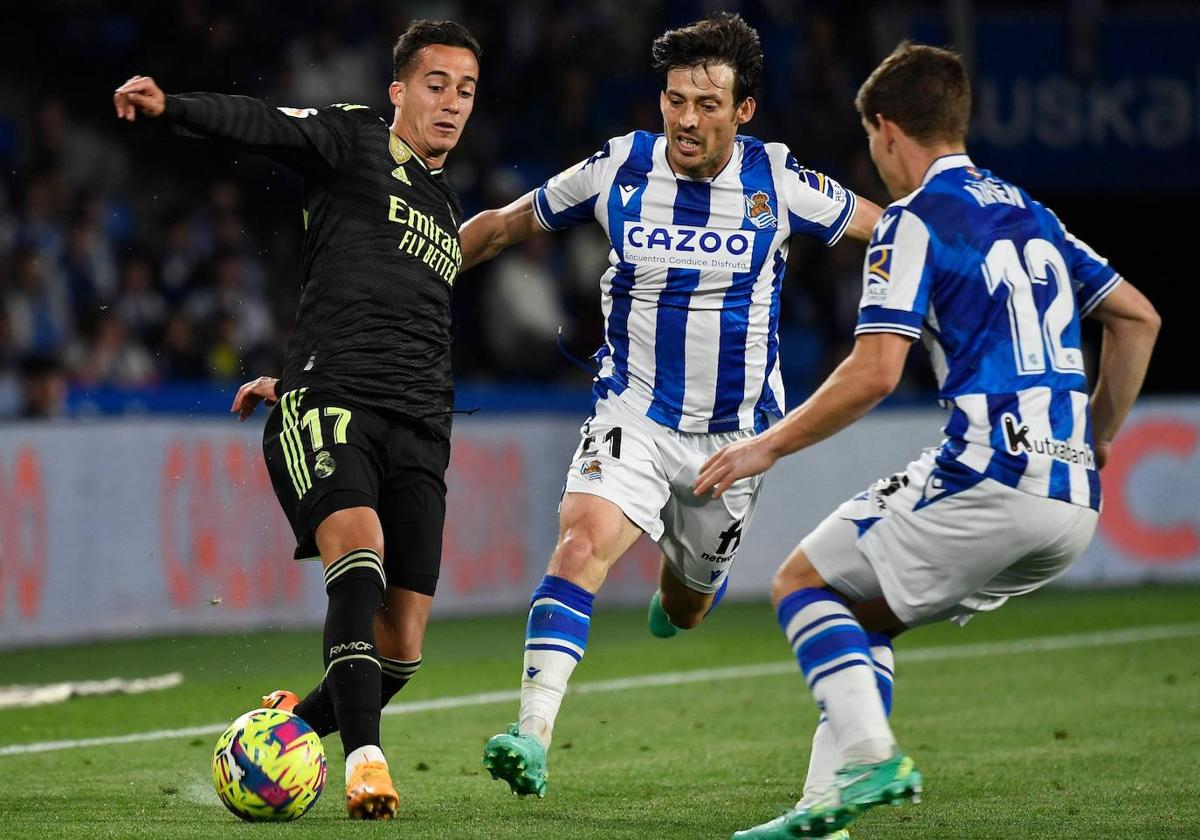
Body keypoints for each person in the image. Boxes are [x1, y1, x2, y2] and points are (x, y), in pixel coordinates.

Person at [695, 42, 1161, 839]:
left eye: (870, 142)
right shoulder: (1033, 214)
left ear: (885, 129)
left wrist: (765, 446)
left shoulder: (912, 219)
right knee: (862, 616)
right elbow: (1138, 318)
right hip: (1074, 504)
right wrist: (1100, 434)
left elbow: (876, 372)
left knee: (801, 583)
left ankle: (871, 757)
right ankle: (824, 810)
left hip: (993, 472)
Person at [457, 12, 881, 798]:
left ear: (743, 109)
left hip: (735, 442)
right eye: (676, 100)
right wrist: (418, 262)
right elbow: (509, 225)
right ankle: (532, 734)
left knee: (687, 608)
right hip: (635, 414)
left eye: (707, 104)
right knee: (580, 544)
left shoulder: (778, 180)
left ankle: (681, 590)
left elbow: (883, 230)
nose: (687, 119)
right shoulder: (619, 167)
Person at [113, 19, 482, 820]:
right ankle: (366, 763)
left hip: (421, 426)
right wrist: (173, 106)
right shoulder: (353, 140)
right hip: (334, 402)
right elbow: (261, 122)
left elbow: (385, 303)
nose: (452, 102)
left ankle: (291, 729)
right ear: (398, 90)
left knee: (402, 647)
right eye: (436, 84)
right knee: (360, 554)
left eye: (466, 90)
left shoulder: (445, 203)